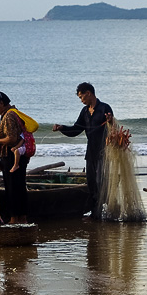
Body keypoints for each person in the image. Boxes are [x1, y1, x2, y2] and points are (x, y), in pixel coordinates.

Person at [52, 82, 113, 218]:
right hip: (91, 152)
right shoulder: (85, 111)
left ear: (88, 93)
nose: (81, 100)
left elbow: (112, 127)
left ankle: (104, 211)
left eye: (81, 97)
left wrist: (110, 120)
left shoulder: (104, 108)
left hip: (104, 152)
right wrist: (62, 128)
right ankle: (95, 212)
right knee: (91, 182)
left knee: (101, 182)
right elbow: (76, 129)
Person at [0, 91, 29, 223]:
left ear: (1, 103)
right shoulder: (14, 112)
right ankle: (22, 217)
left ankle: (14, 218)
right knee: (19, 186)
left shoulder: (9, 115)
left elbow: (11, 138)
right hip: (18, 154)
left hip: (10, 155)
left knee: (12, 188)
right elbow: (12, 134)